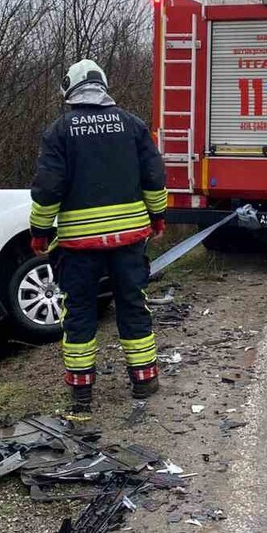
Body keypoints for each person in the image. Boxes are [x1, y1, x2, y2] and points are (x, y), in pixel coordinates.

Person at [30, 59, 168, 414]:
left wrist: (40, 232)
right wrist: (158, 215)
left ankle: (81, 394)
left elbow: (48, 189)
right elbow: (154, 177)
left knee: (79, 312)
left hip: (78, 246)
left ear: (69, 89)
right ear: (104, 86)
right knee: (133, 305)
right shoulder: (133, 125)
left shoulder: (59, 131)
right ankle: (144, 380)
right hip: (129, 239)